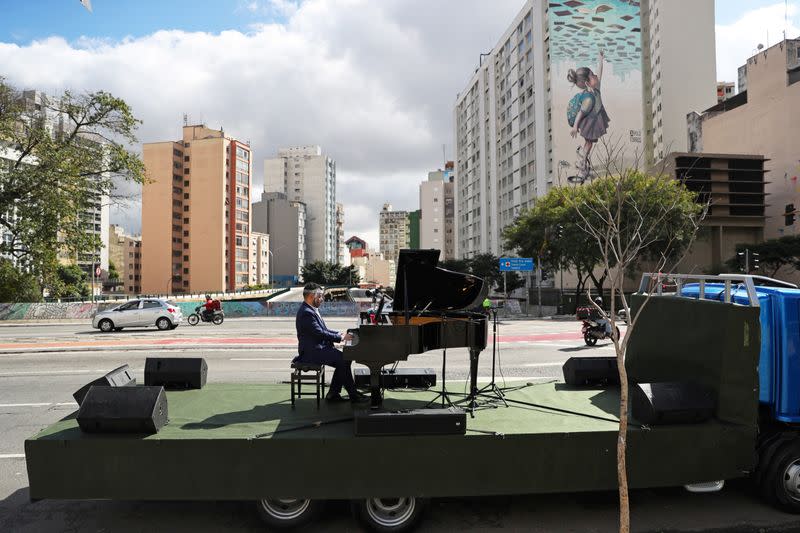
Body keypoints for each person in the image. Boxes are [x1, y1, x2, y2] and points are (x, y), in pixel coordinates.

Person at [295, 282, 368, 403]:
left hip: (318, 348)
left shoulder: (311, 310)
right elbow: (320, 333)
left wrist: (340, 334)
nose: (322, 299)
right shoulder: (306, 313)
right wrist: (341, 338)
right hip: (312, 352)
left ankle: (334, 393)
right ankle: (352, 394)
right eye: (320, 296)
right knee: (343, 359)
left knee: (345, 359)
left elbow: (324, 330)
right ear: (311, 296)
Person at [567, 50, 610, 180]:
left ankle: (583, 162)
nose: (596, 75)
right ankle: (582, 162)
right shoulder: (588, 98)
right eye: (592, 75)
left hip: (595, 119)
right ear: (587, 83)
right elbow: (581, 112)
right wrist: (575, 127)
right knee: (589, 143)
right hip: (590, 123)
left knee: (589, 143)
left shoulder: (596, 88)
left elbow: (600, 72)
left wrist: (601, 59)